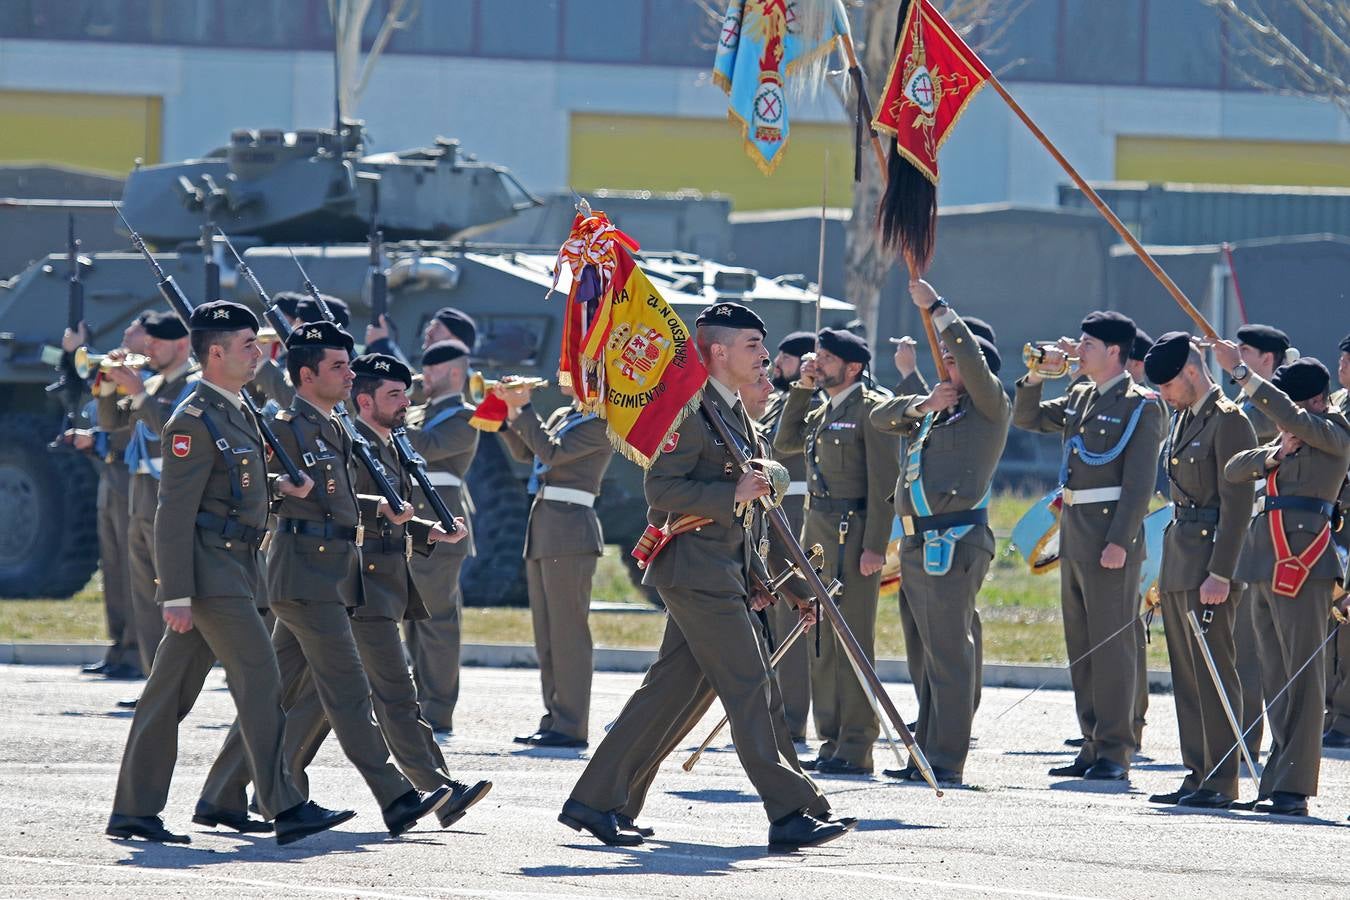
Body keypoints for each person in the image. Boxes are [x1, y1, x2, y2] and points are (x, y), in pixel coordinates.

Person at [560, 302, 851, 852]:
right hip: (695, 571)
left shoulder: (734, 415)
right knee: (752, 686)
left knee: (669, 697)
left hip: (723, 571)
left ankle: (599, 801)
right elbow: (661, 493)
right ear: (717, 352)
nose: (764, 356)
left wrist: (774, 581)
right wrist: (729, 493)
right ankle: (792, 811)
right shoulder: (688, 414)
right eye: (751, 346)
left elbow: (745, 521)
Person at [107, 300, 353, 846]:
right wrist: (175, 592)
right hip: (209, 574)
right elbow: (173, 510)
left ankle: (140, 810)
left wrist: (277, 488)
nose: (261, 353)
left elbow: (233, 486)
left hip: (238, 566)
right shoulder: (192, 419)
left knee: (166, 694)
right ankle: (285, 805)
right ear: (214, 353)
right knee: (262, 681)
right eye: (248, 345)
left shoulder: (236, 409)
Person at [198, 321, 453, 838]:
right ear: (308, 374)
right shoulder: (286, 424)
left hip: (331, 573)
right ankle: (397, 796)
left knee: (277, 691)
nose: (349, 373)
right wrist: (278, 484)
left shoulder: (334, 426)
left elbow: (334, 498)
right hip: (304, 572)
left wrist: (377, 504)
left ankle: (221, 797)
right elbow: (239, 484)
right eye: (338, 366)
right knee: (348, 691)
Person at [1013, 311, 1166, 781]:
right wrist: (1038, 374)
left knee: (1111, 645)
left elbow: (1140, 483)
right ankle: (1090, 742)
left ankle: (1115, 750)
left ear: (1115, 352)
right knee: (1080, 643)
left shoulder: (1142, 405)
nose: (1078, 350)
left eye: (1088, 344)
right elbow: (1028, 417)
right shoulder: (1081, 395)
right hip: (1077, 530)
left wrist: (1120, 540)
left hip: (1109, 534)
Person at [871, 280, 1010, 785]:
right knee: (923, 656)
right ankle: (924, 750)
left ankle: (946, 757)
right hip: (917, 541)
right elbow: (880, 417)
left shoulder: (989, 409)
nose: (947, 369)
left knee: (949, 654)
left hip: (951, 542)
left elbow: (971, 361)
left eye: (953, 362)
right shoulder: (938, 415)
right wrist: (923, 404)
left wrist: (938, 311)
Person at [1216, 345, 1350, 816]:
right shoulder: (1288, 439)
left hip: (1304, 561)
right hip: (1264, 561)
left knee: (1303, 675)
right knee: (1275, 675)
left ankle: (1295, 786)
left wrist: (1243, 373)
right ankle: (1277, 778)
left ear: (1314, 400)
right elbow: (1234, 470)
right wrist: (1274, 454)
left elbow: (1291, 415)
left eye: (1288, 409)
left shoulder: (1335, 430)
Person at [774, 328, 900, 776]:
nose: (816, 362)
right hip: (819, 534)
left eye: (825, 359)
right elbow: (783, 442)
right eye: (817, 356)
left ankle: (856, 744)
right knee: (821, 639)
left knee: (853, 641)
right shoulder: (824, 408)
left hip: (854, 535)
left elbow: (886, 485)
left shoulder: (870, 410)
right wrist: (801, 388)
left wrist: (875, 547)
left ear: (853, 367)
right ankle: (831, 738)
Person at [1141, 333, 1256, 809]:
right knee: (1188, 676)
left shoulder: (1229, 422)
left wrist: (1222, 572)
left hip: (1210, 562)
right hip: (1180, 558)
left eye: (1168, 384)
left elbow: (1238, 505)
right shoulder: (1183, 416)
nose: (1163, 394)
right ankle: (1199, 771)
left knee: (1215, 674)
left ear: (1192, 372)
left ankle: (1223, 778)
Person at [497, 375, 614, 749]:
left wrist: (526, 407)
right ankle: (555, 718)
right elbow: (528, 453)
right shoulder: (568, 414)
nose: (565, 374)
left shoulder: (602, 423)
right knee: (547, 632)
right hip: (546, 522)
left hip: (569, 526)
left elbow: (552, 454)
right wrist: (507, 412)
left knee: (568, 633)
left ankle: (572, 724)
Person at [102, 311, 197, 680]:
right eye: (149, 341)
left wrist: (140, 392)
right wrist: (111, 384)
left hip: (168, 498)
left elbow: (172, 431)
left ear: (182, 344)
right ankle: (150, 678)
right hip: (141, 497)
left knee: (169, 592)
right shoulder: (154, 384)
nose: (149, 348)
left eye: (157, 342)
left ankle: (172, 681)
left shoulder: (193, 384)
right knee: (142, 593)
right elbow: (111, 423)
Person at [67, 315, 149, 680]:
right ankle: (119, 646)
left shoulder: (149, 378)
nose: (126, 333)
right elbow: (111, 421)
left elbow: (134, 428)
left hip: (135, 474)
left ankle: (136, 651)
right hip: (113, 470)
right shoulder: (121, 370)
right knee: (113, 564)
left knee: (134, 568)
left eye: (133, 329)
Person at [404, 339, 480, 734]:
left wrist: (389, 418)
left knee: (436, 620)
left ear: (453, 372)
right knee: (413, 621)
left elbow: (429, 449)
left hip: (441, 526)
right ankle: (418, 704)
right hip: (412, 525)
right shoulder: (419, 413)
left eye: (431, 371)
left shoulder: (467, 416)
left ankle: (437, 710)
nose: (423, 377)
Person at [1231, 323, 1294, 762]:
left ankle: (1273, 747)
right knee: (1244, 651)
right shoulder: (1245, 401)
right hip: (1245, 535)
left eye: (1245, 352)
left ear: (1267, 360)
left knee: (1264, 652)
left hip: (1275, 539)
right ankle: (1246, 742)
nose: (1237, 358)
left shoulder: (1269, 403)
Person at [759, 330, 817, 743]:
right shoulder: (779, 402)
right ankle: (779, 710)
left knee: (796, 619)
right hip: (772, 515)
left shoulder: (808, 404)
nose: (774, 366)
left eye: (782, 358)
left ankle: (793, 720)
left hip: (795, 515)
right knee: (775, 622)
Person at [1324, 332, 1350, 749]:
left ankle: (1345, 717)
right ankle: (1333, 711)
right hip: (1334, 523)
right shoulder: (1338, 403)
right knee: (1331, 624)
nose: (1342, 367)